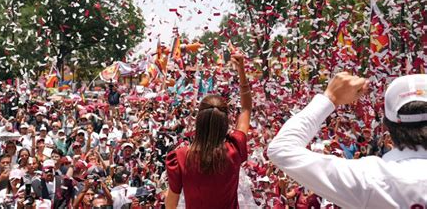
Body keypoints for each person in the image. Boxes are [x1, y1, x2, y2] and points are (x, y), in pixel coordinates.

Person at [267, 72, 427, 208]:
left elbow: (281, 150)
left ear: (386, 127)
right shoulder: (371, 177)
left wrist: (331, 97)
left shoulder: (371, 178)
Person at [165, 53, 252, 209]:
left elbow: (171, 205)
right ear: (225, 123)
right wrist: (241, 71)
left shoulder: (180, 158)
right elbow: (246, 109)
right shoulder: (234, 149)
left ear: (199, 121)